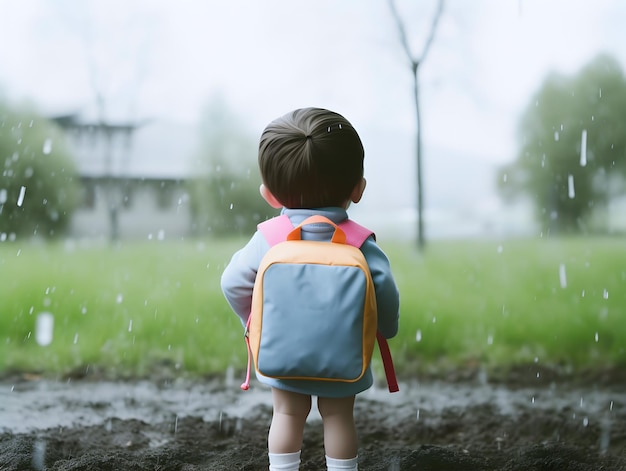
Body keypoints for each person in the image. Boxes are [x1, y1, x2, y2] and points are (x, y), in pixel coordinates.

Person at [221, 107, 400, 471]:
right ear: (358, 188)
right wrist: (386, 328)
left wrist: (254, 323)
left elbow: (232, 282)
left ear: (269, 195)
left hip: (282, 354)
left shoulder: (268, 239)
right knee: (338, 419)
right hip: (344, 355)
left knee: (286, 415)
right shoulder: (361, 244)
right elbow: (384, 291)